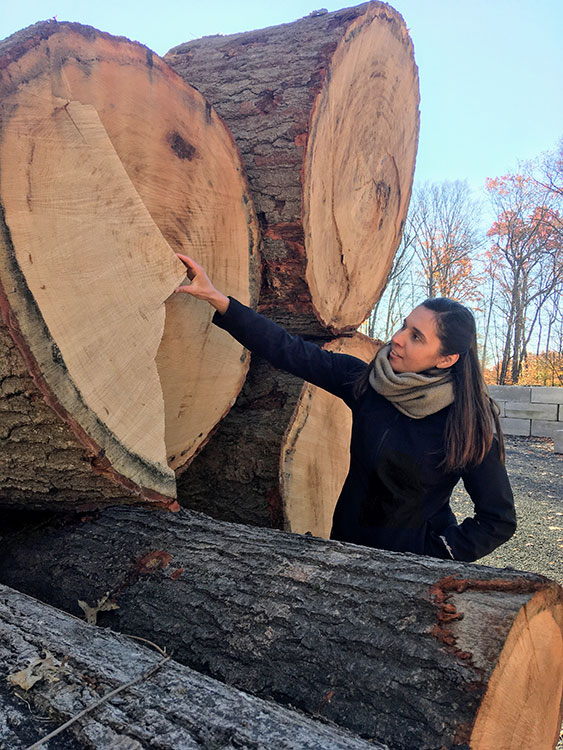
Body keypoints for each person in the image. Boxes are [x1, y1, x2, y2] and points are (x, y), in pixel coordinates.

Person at [174, 254, 516, 563]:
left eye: (416, 337)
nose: (397, 338)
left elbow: (498, 519)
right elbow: (289, 350)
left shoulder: (468, 422)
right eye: (403, 326)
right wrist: (221, 302)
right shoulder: (369, 384)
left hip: (410, 572)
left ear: (446, 359)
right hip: (343, 553)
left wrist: (433, 553)